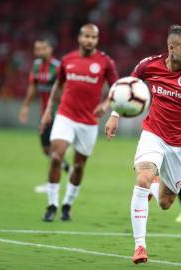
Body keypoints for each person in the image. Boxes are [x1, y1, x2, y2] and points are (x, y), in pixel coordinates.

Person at [104, 25, 181, 264]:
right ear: (171, 48)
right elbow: (127, 85)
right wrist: (115, 114)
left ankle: (154, 186)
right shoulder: (149, 65)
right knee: (142, 177)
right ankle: (140, 246)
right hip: (154, 134)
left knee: (166, 202)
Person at [39, 23, 119, 222]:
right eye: (86, 36)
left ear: (97, 40)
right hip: (65, 116)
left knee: (79, 166)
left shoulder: (105, 62)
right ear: (79, 38)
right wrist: (49, 110)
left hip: (89, 121)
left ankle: (67, 204)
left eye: (94, 37)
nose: (90, 40)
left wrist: (106, 104)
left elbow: (117, 88)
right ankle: (51, 204)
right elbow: (58, 84)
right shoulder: (67, 60)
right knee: (56, 157)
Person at [19, 39, 70, 193]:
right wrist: (25, 107)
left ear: (50, 49)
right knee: (45, 149)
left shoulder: (57, 67)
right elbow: (33, 87)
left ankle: (50, 184)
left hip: (58, 113)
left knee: (54, 149)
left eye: (42, 48)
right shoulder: (36, 66)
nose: (40, 52)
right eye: (37, 49)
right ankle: (67, 167)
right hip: (44, 113)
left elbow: (66, 89)